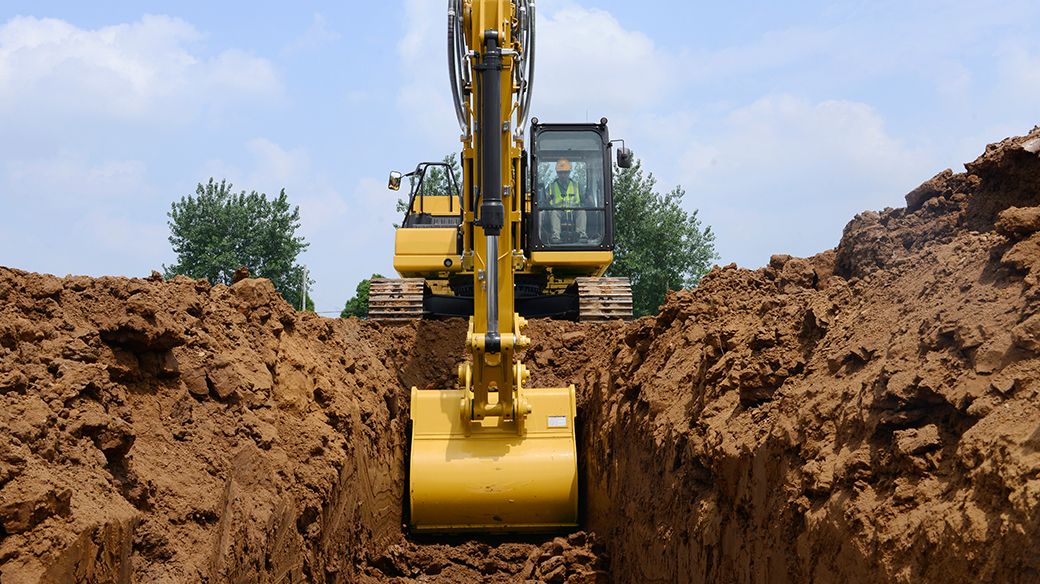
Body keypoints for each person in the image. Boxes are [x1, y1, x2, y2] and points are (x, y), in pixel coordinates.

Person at [545, 158, 586, 243]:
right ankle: (555, 236)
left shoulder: (577, 186)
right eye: (560, 172)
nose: (563, 175)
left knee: (582, 211)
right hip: (559, 212)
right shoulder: (550, 187)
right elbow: (544, 201)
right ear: (557, 173)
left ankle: (581, 235)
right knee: (554, 212)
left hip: (574, 211)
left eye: (565, 172)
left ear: (569, 172)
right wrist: (547, 200)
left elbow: (584, 201)